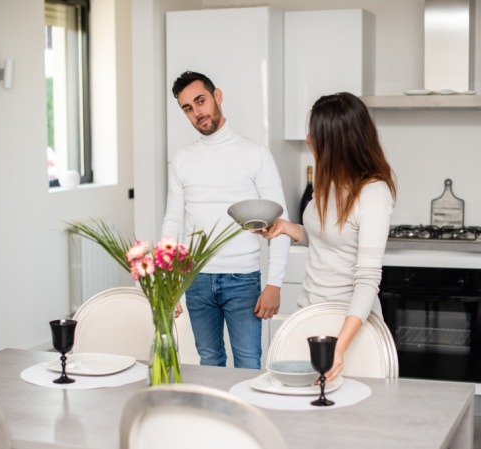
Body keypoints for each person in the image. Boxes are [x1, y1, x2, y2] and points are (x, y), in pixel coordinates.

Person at [258, 92, 396, 382]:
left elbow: (367, 279)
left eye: (315, 133)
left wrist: (339, 347)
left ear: (336, 141)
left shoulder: (373, 193)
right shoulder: (329, 182)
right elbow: (324, 238)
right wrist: (286, 227)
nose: (308, 138)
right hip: (309, 313)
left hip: (351, 326)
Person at [161, 71, 290, 369]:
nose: (197, 113)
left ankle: (248, 418)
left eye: (200, 101)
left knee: (248, 362)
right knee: (210, 361)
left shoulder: (256, 154)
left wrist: (274, 284)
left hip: (242, 281)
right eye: (188, 108)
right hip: (195, 281)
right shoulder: (182, 159)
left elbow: (280, 221)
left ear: (217, 96)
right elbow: (173, 222)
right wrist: (168, 283)